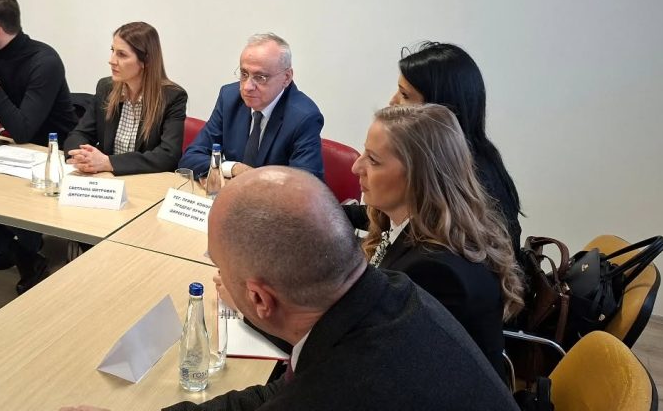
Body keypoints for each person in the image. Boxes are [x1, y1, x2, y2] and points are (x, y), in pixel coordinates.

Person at [61, 167, 519, 411]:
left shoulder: (338, 387)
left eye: (220, 267)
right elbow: (274, 394)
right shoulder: (386, 293)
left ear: (260, 299)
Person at [353, 103, 524, 377]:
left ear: (418, 176)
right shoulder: (418, 230)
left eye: (373, 160)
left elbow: (392, 370)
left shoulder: (435, 272)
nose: (356, 167)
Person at [0, 0, 78, 295]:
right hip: (13, 153)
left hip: (52, 155)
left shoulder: (44, 61)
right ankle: (17, 252)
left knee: (9, 196)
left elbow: (23, 130)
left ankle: (21, 248)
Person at [388, 41, 523, 254]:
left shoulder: (462, 180)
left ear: (439, 109)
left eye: (404, 95)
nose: (392, 102)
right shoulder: (456, 158)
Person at [178, 33, 324, 181]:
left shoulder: (304, 117)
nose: (247, 87)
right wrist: (233, 168)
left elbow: (304, 186)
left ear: (286, 77)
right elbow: (191, 158)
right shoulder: (229, 98)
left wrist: (249, 180)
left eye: (260, 77)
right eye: (244, 74)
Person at [64, 21, 187, 175]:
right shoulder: (106, 88)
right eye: (112, 51)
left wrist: (109, 163)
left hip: (145, 181)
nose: (111, 60)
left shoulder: (172, 97)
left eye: (121, 54)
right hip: (106, 179)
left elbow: (168, 155)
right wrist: (80, 156)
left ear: (146, 61)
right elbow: (80, 134)